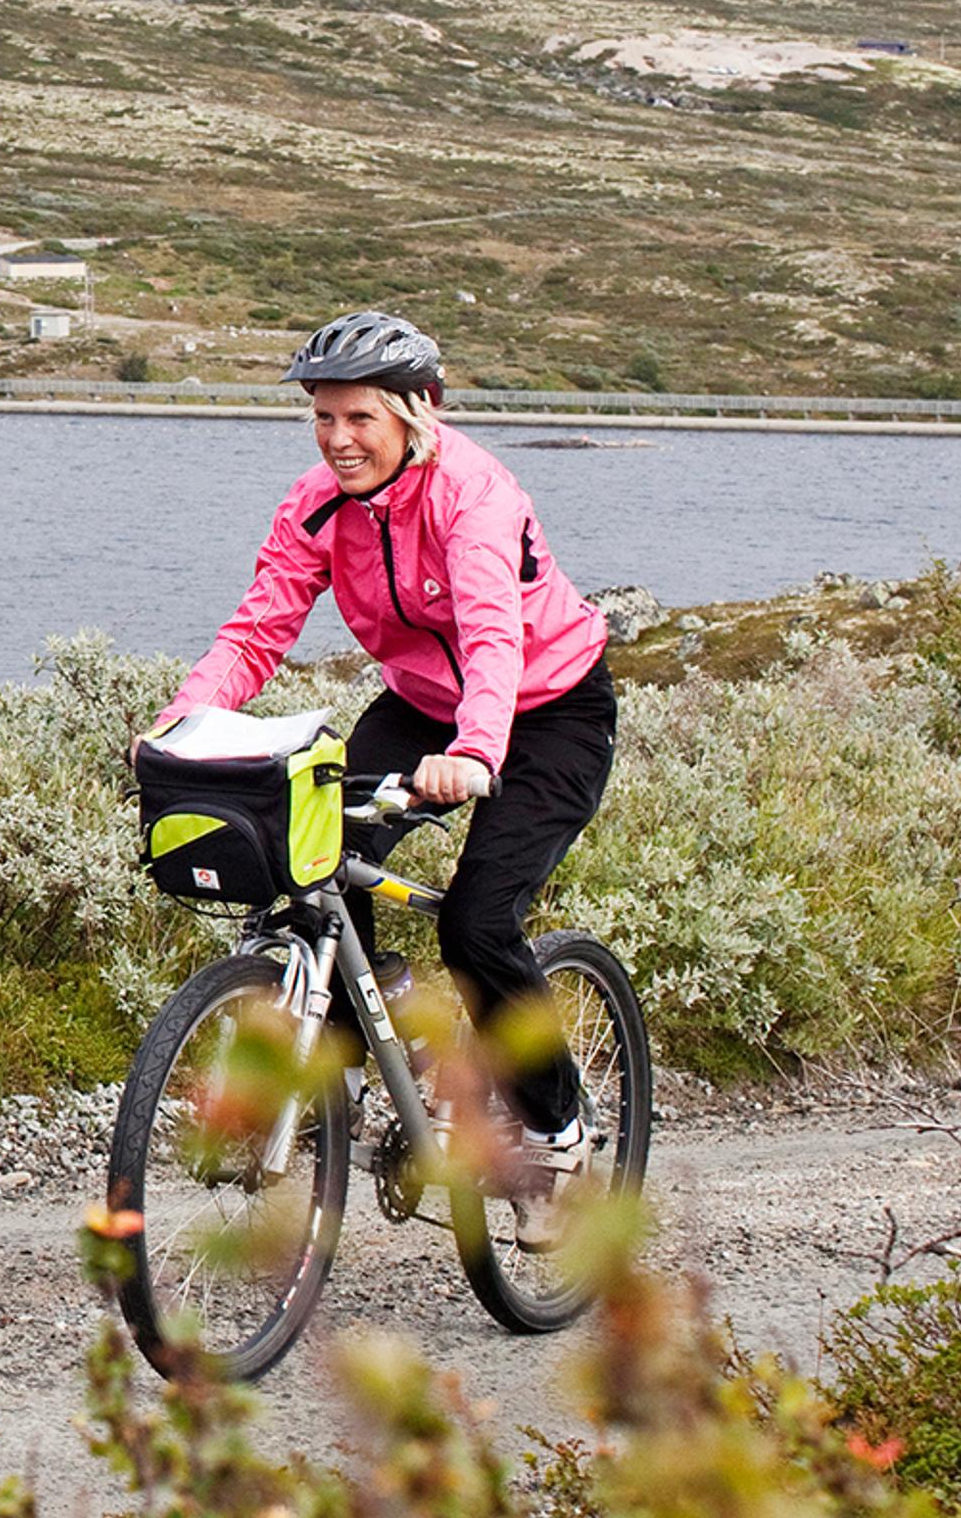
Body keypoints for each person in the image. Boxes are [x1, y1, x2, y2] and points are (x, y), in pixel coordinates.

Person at [151, 310, 618, 1214]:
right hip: (420, 704)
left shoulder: (472, 496)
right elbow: (257, 631)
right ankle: (364, 1041)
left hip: (550, 709)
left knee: (478, 923)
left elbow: (493, 635)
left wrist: (474, 752)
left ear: (416, 413)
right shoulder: (317, 505)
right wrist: (184, 720)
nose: (339, 439)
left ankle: (558, 1130)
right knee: (311, 859)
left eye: (360, 417)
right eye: (323, 417)